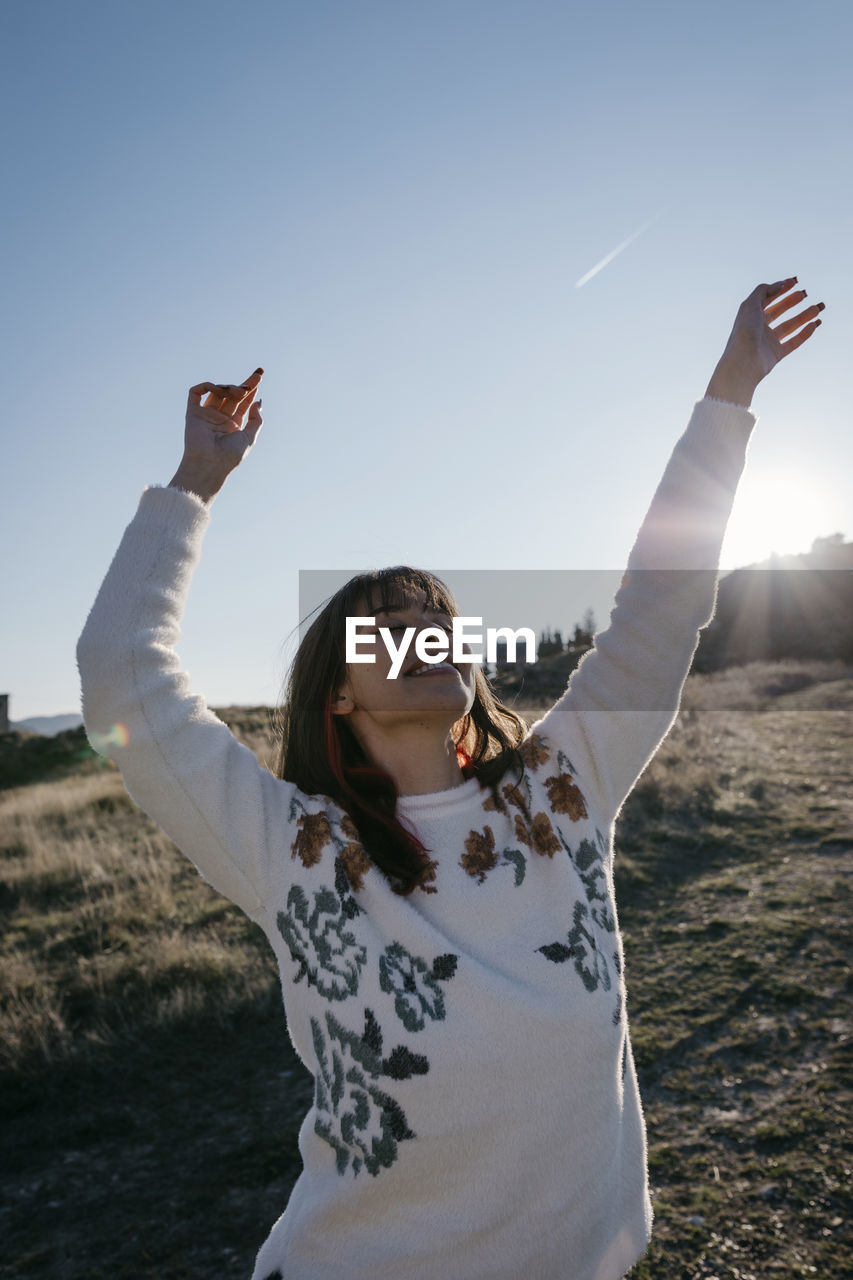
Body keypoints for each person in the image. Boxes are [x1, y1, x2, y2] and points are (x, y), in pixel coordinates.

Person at [77, 279, 823, 1280]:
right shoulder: (291, 845)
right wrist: (193, 483)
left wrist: (729, 390)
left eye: (434, 613)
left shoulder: (563, 786)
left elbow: (658, 605)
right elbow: (123, 675)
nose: (421, 630)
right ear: (335, 695)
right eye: (383, 625)